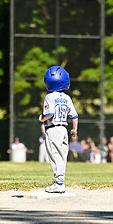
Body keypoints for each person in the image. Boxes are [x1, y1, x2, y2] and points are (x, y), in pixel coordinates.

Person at [39, 65, 78, 193]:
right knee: (62, 156)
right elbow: (74, 116)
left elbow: (49, 114)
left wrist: (41, 118)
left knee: (54, 155)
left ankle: (59, 183)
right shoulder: (67, 98)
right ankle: (60, 181)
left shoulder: (49, 97)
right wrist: (74, 129)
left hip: (53, 129)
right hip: (64, 129)